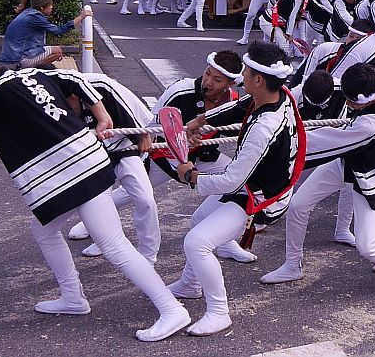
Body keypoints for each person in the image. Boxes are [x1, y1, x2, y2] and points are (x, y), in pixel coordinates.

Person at [0, 46, 191, 342]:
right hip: (85, 162)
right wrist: (102, 117)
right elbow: (77, 80)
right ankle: (72, 296)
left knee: (114, 245)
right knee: (44, 230)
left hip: (72, 173)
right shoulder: (32, 74)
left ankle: (171, 309)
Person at [67, 51, 253, 264]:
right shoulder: (180, 90)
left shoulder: (233, 101)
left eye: (217, 80)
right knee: (132, 192)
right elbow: (152, 126)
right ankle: (96, 228)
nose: (208, 81)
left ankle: (225, 242)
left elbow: (235, 130)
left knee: (240, 184)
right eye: (207, 73)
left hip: (202, 156)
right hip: (164, 154)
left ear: (230, 84)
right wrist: (180, 139)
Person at [169, 42, 303, 336]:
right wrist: (202, 120)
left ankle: (219, 312)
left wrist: (191, 175)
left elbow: (232, 181)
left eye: (246, 71)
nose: (242, 75)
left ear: (259, 79)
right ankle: (190, 284)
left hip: (263, 199)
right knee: (199, 220)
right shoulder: (277, 95)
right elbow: (240, 106)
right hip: (256, 184)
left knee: (197, 242)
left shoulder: (264, 127)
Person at [260, 62, 375, 298]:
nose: (346, 104)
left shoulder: (369, 126)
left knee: (368, 246)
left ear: (364, 101)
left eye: (351, 102)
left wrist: (272, 143)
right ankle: (292, 265)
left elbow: (319, 143)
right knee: (298, 205)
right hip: (350, 160)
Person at [62, 73, 160, 264]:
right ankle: (106, 242)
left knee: (145, 199)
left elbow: (127, 111)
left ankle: (148, 255)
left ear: (72, 95)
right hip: (91, 151)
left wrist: (141, 136)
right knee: (97, 202)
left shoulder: (98, 85)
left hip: (125, 142)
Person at [0, 0, 91, 69]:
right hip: (19, 59)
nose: (52, 7)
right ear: (41, 7)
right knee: (57, 51)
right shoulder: (35, 17)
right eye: (50, 5)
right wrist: (81, 17)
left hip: (11, 57)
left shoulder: (28, 13)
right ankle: (29, 71)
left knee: (51, 51)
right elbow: (59, 30)